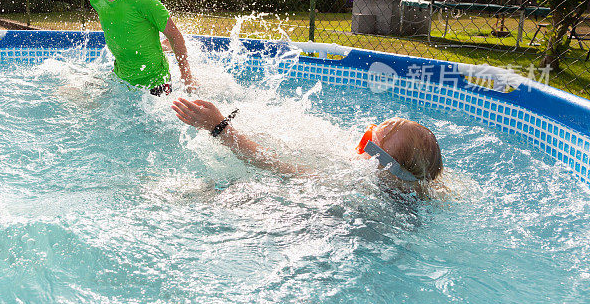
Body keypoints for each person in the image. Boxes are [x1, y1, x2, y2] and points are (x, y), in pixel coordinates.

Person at [171, 97, 443, 192]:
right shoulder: (422, 185)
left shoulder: (350, 184)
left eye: (365, 142)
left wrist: (219, 126)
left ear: (376, 161)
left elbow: (272, 164)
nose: (358, 145)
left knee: (226, 192)